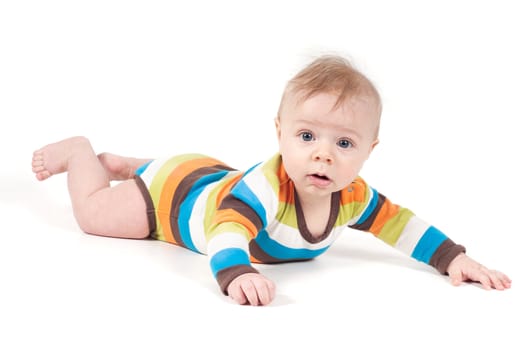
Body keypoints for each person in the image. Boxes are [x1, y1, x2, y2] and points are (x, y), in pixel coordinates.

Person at [31, 55, 511, 306]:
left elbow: (399, 224)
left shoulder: (352, 196)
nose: (323, 153)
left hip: (208, 173)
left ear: (369, 151)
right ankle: (84, 156)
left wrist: (453, 258)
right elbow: (225, 229)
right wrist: (235, 272)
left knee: (205, 178)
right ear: (279, 134)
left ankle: (136, 163)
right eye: (306, 135)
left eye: (344, 144)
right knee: (95, 214)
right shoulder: (265, 188)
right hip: (173, 200)